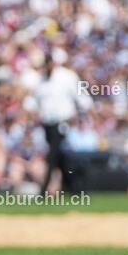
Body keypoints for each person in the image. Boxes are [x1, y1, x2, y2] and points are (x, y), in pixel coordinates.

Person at [33, 49, 92, 195]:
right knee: (60, 158)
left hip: (62, 122)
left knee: (52, 156)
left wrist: (87, 110)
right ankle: (74, 187)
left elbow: (81, 96)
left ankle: (43, 190)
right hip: (48, 125)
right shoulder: (41, 80)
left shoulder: (66, 77)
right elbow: (35, 101)